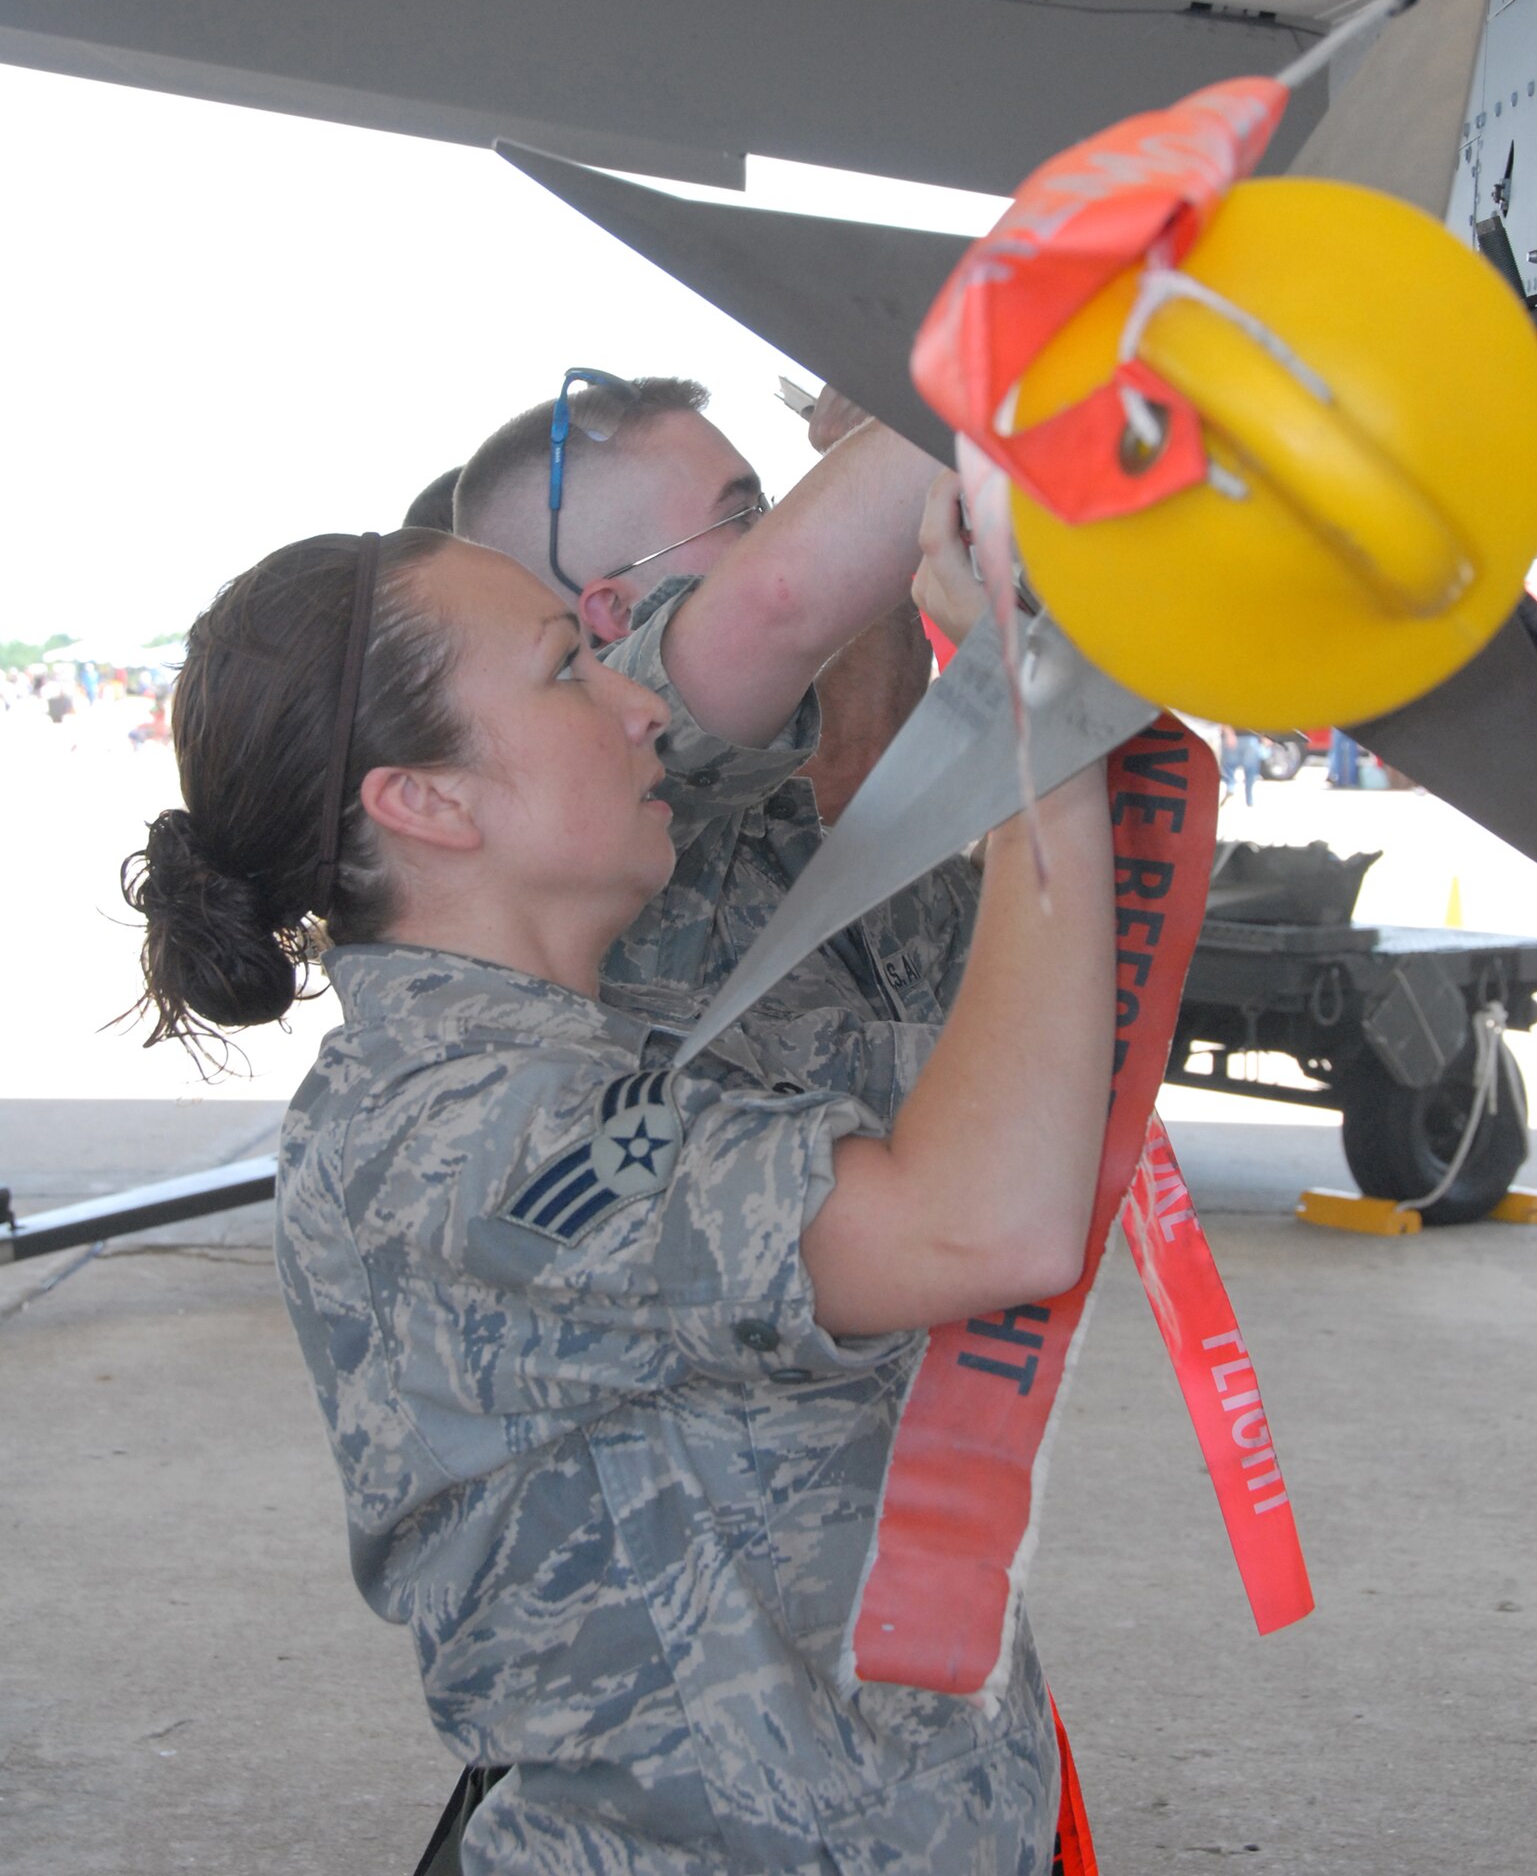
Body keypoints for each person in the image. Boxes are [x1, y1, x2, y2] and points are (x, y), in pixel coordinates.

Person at [123, 527, 1115, 1875]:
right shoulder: (450, 1133)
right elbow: (977, 1221)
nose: (637, 697)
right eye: (567, 670)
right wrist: (1032, 750)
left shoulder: (610, 1036)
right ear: (427, 803)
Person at [452, 374, 987, 1030]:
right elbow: (786, 614)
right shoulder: (599, 749)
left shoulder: (773, 824)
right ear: (614, 610)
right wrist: (964, 386)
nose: (775, 532)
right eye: (742, 516)